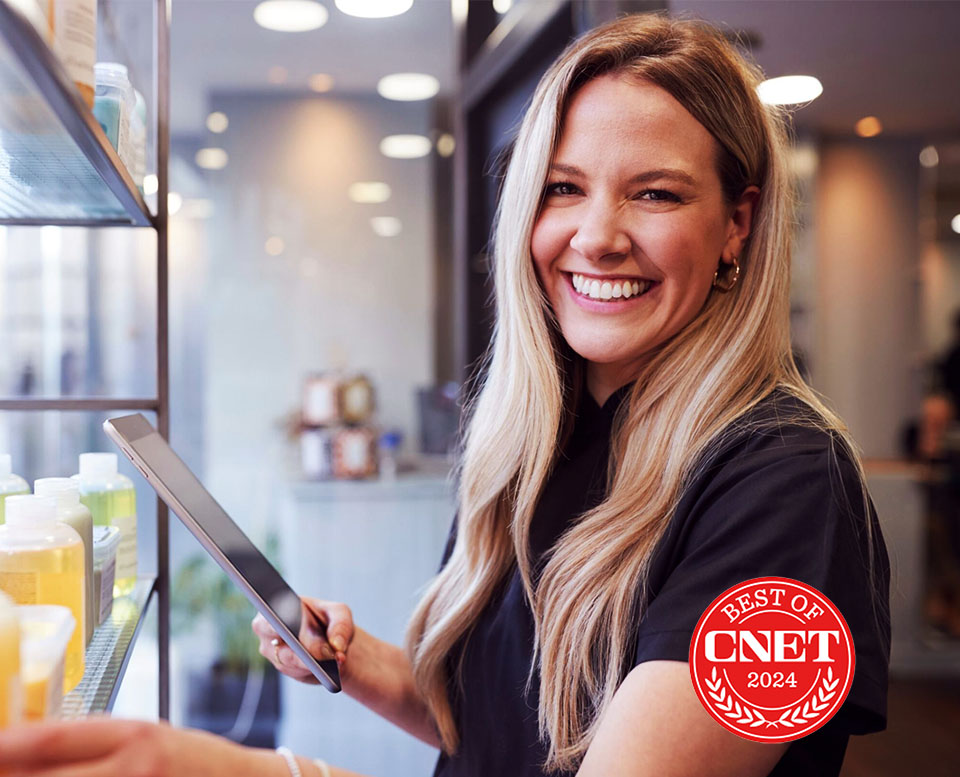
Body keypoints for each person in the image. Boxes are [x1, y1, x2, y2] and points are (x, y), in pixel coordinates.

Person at [0, 12, 890, 777]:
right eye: (562, 189)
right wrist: (362, 663)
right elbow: (502, 732)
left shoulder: (788, 484)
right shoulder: (545, 434)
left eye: (655, 193)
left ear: (738, 221)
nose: (597, 235)